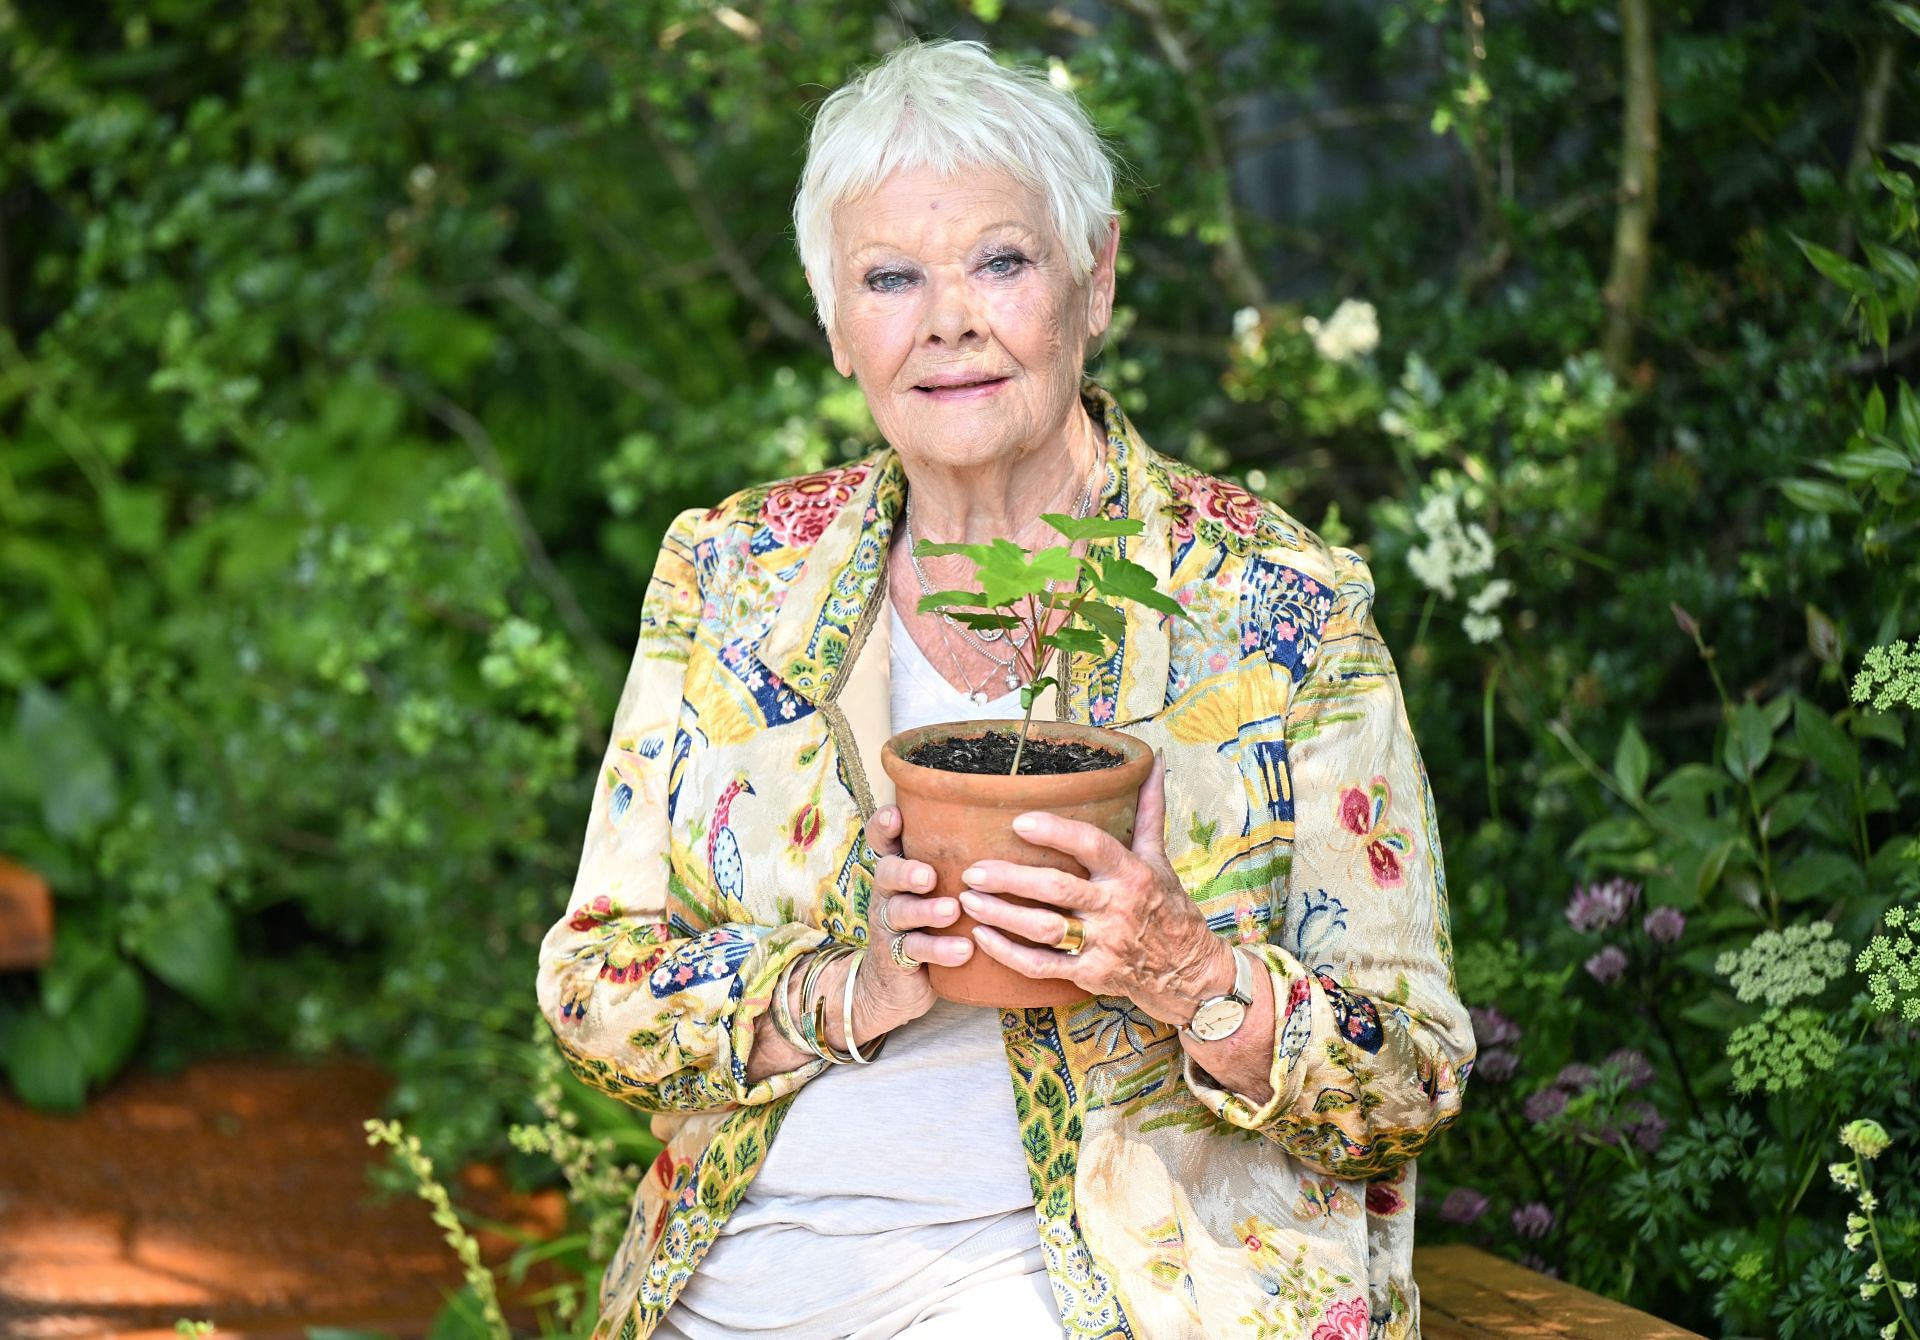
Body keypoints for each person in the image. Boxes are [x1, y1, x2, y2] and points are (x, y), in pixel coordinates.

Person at [536, 38, 1473, 1340]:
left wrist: (1186, 971)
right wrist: (841, 990)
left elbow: (1415, 1071)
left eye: (1001, 261)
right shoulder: (741, 576)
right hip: (749, 1291)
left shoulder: (1275, 603)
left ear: (1095, 284)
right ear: (833, 321)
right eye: (890, 278)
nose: (949, 320)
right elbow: (593, 987)